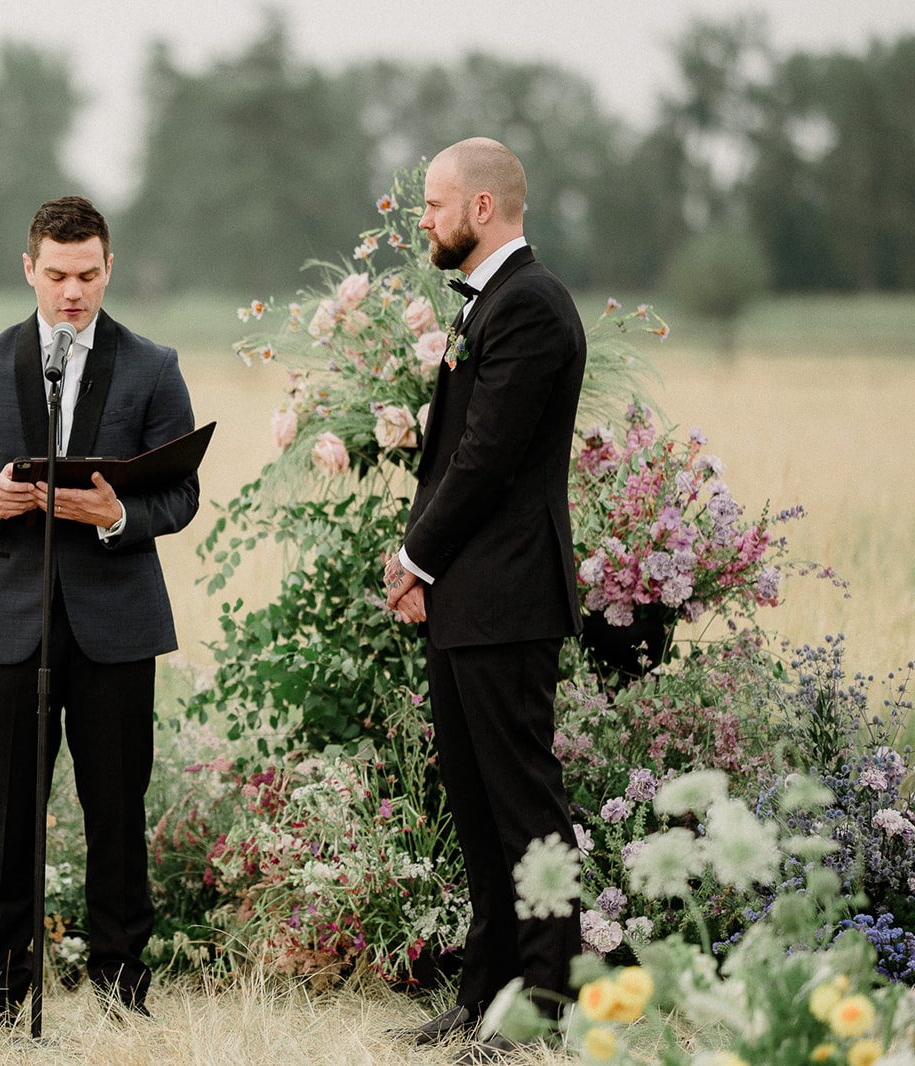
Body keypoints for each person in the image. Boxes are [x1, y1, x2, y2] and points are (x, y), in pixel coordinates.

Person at [0, 196, 199, 1024]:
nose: (72, 292)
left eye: (87, 275)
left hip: (117, 628)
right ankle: (0, 997)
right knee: (8, 818)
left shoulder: (152, 365)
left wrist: (114, 516)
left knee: (118, 812)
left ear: (108, 268)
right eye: (56, 275)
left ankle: (120, 992)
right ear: (29, 270)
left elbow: (180, 494)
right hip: (9, 627)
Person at [382, 139, 586, 1061]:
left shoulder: (531, 308)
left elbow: (487, 458)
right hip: (472, 597)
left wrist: (415, 558)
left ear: (482, 210)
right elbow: (453, 455)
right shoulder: (491, 304)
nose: (421, 220)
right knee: (475, 806)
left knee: (523, 808)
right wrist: (428, 575)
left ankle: (544, 1002)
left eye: (432, 205)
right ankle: (484, 1001)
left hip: (507, 598)